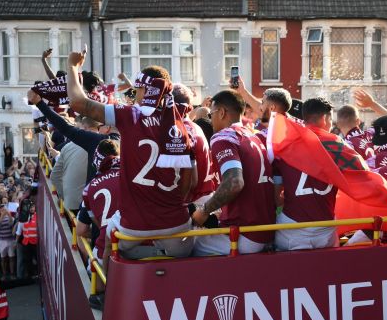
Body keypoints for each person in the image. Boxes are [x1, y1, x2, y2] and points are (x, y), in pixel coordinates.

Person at [67, 52, 197, 259]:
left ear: (145, 90)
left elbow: (78, 103)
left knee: (106, 246)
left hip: (134, 226)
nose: (134, 94)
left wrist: (72, 67)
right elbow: (191, 181)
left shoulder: (130, 115)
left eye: (137, 90)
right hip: (176, 223)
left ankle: (102, 290)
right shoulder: (182, 125)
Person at [191, 90, 274, 256]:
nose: (210, 120)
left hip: (245, 234)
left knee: (184, 245)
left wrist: (204, 211)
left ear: (221, 112)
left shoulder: (223, 137)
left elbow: (234, 183)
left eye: (211, 114)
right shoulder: (254, 136)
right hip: (267, 231)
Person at [271, 98, 340, 251]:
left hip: (292, 229)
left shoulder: (284, 146)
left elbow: (276, 196)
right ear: (324, 118)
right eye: (331, 120)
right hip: (326, 229)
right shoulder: (338, 146)